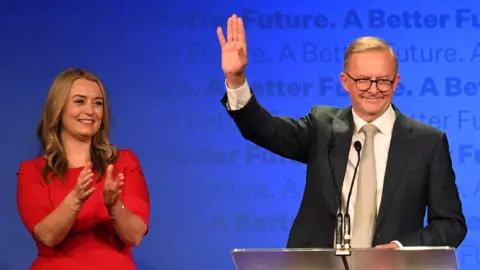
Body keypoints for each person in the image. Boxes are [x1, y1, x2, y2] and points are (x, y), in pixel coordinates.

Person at [216, 14, 467, 249]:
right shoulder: (322, 126)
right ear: (345, 81)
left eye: (383, 80)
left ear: (396, 81)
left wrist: (401, 249)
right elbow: (264, 130)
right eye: (363, 80)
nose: (373, 89)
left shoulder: (428, 143)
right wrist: (236, 79)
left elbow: (451, 224)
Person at [16, 68, 150, 270]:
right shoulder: (33, 171)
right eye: (79, 101)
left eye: (98, 103)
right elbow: (47, 236)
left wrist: (114, 206)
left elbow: (135, 235)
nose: (90, 111)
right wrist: (75, 200)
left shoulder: (123, 162)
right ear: (58, 108)